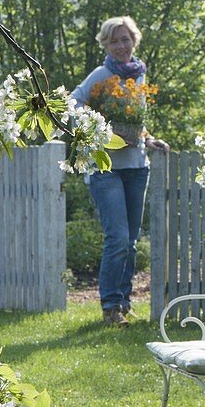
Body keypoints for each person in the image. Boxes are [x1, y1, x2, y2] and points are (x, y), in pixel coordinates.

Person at [72, 16, 169, 326]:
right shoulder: (101, 75)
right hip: (106, 167)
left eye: (125, 39)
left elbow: (136, 121)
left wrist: (149, 138)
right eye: (114, 40)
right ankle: (110, 306)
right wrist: (98, 129)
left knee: (130, 241)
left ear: (134, 41)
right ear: (105, 44)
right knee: (117, 237)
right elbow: (72, 103)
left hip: (137, 166)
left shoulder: (139, 75)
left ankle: (124, 303)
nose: (121, 46)